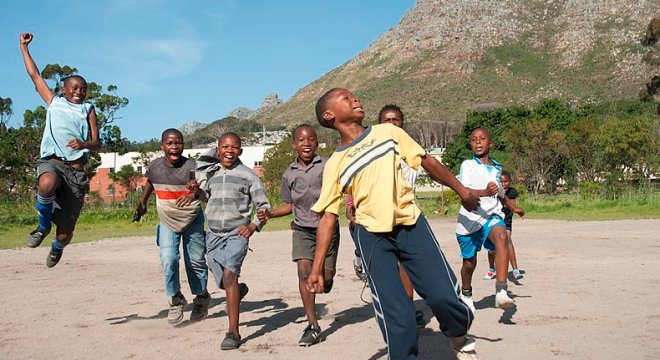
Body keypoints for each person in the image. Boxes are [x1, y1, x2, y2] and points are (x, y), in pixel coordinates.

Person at [307, 88, 481, 360]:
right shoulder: (336, 163)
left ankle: (458, 333)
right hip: (371, 236)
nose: (355, 99)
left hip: (410, 225)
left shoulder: (388, 133)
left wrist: (463, 191)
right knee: (395, 311)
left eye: (354, 95)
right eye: (345, 98)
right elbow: (328, 217)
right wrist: (317, 267)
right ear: (329, 115)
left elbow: (427, 162)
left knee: (443, 297)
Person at [20, 32, 100, 268]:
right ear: (63, 89)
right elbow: (34, 75)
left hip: (75, 172)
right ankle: (43, 227)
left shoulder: (87, 109)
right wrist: (24, 47)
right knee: (46, 183)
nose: (78, 92)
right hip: (53, 162)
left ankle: (57, 247)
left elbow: (97, 143)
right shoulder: (54, 101)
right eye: (74, 88)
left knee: (65, 233)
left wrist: (84, 144)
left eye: (83, 89)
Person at [256, 124, 340, 347]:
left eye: (311, 139)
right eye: (301, 140)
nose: (306, 143)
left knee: (326, 278)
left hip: (327, 228)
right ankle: (313, 325)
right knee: (304, 274)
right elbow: (289, 204)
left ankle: (327, 277)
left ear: (316, 143)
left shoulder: (327, 165)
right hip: (302, 229)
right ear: (294, 144)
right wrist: (271, 213)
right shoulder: (289, 174)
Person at [347, 104, 425, 328]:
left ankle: (408, 310)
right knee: (387, 269)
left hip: (404, 217)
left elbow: (433, 168)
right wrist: (350, 205)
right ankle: (396, 312)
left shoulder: (410, 149)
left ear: (402, 124)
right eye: (387, 121)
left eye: (396, 120)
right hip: (372, 220)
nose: (392, 125)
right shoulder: (368, 150)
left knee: (406, 266)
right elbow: (354, 183)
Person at [194, 132, 270, 350]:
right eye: (225, 147)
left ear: (241, 151)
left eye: (234, 147)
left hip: (238, 233)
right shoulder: (211, 174)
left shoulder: (248, 176)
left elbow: (264, 206)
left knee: (229, 276)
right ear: (218, 150)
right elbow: (208, 198)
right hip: (214, 235)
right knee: (224, 282)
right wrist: (196, 192)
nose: (229, 150)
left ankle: (233, 332)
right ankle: (236, 290)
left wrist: (254, 225)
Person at [134, 129, 210, 325]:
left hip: (192, 219)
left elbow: (205, 195)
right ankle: (175, 299)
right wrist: (143, 202)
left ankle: (201, 297)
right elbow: (151, 182)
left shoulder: (192, 167)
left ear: (183, 145)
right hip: (167, 220)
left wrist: (196, 190)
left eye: (178, 143)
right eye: (169, 143)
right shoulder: (155, 167)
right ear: (162, 146)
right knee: (168, 258)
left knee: (195, 261)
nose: (174, 147)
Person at [455, 128, 525, 313]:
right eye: (473, 140)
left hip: (490, 216)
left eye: (482, 139)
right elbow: (464, 191)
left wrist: (512, 207)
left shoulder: (497, 167)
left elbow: (500, 193)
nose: (477, 142)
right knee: (469, 263)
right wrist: (485, 192)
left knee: (502, 236)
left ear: (490, 143)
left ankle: (501, 290)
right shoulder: (468, 165)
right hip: (469, 220)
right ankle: (466, 293)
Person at [483, 170, 525, 281]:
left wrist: (505, 202)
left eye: (506, 181)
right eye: (501, 182)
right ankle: (492, 269)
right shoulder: (493, 191)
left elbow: (511, 205)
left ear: (510, 182)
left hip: (506, 221)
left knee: (507, 240)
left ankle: (515, 269)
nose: (503, 184)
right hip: (493, 220)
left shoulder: (511, 192)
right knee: (492, 249)